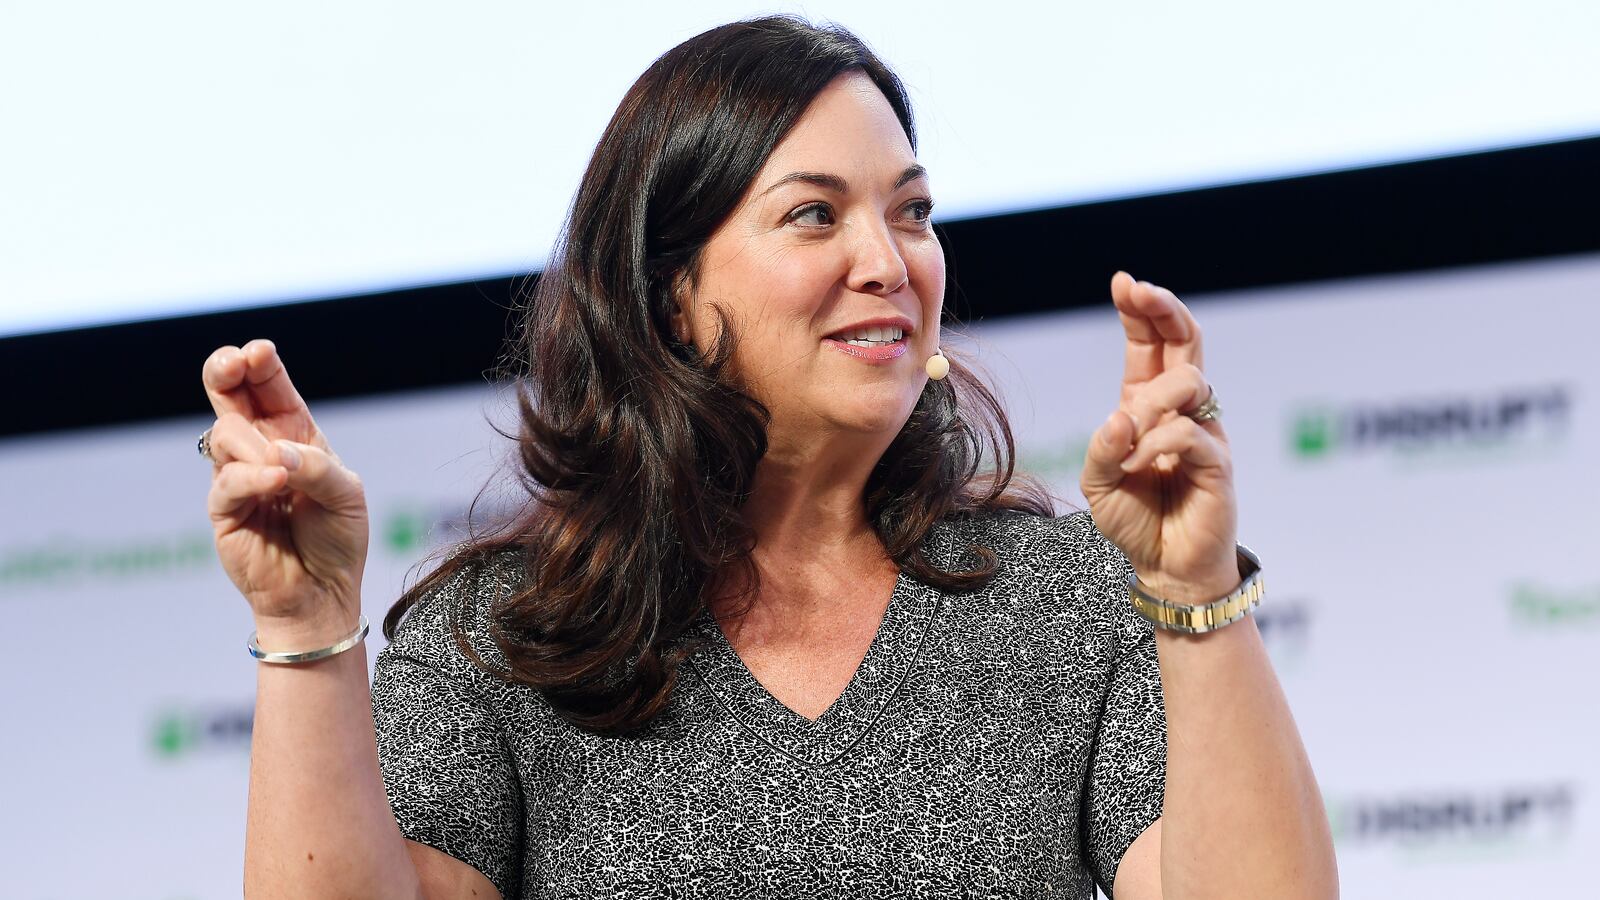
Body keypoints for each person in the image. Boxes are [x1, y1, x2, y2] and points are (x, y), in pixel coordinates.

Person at [200, 15, 1337, 900]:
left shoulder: (1063, 598)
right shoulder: (504, 639)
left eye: (911, 211)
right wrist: (304, 627)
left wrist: (1193, 591)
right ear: (669, 293)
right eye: (813, 215)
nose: (888, 262)